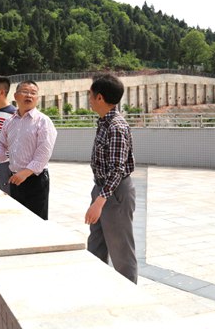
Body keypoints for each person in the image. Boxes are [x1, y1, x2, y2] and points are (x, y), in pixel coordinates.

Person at [84, 73, 137, 283]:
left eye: (90, 94)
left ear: (100, 97)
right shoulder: (104, 123)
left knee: (121, 251)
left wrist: (99, 202)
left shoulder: (116, 127)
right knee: (95, 246)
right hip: (103, 190)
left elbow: (117, 169)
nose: (89, 99)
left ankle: (129, 294)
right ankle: (99, 287)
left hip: (114, 194)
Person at [0, 80, 57, 220]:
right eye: (25, 92)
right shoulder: (9, 122)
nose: (29, 96)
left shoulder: (43, 121)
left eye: (33, 93)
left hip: (35, 180)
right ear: (15, 96)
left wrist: (25, 173)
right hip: (15, 179)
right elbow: (2, 144)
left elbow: (44, 153)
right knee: (19, 220)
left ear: (37, 98)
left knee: (36, 221)